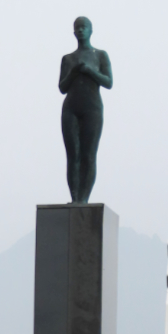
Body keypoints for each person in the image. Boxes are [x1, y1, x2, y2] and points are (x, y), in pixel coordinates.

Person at [58, 16, 113, 203]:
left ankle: (84, 200)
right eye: (77, 28)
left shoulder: (100, 55)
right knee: (73, 155)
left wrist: (90, 71)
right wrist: (73, 72)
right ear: (74, 32)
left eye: (84, 27)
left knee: (88, 155)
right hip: (71, 109)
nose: (80, 30)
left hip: (92, 109)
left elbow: (108, 82)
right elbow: (62, 88)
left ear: (91, 30)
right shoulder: (67, 59)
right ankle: (74, 199)